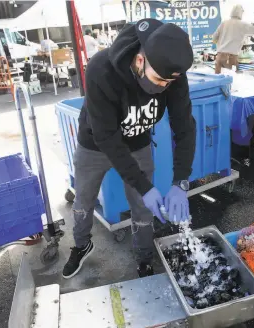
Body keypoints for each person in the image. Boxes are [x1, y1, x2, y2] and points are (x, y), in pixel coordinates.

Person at [62, 19, 196, 279]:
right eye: (158, 79)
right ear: (139, 60)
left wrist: (181, 181)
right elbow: (106, 136)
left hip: (138, 140)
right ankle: (81, 245)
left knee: (142, 208)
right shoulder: (101, 69)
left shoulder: (173, 73)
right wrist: (144, 186)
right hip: (95, 142)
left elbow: (185, 128)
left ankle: (144, 257)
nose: (162, 87)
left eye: (169, 83)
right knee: (83, 200)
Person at [212, 5, 254, 74]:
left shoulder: (224, 23)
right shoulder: (242, 24)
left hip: (219, 57)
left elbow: (214, 38)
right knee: (232, 80)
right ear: (240, 13)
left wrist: (220, 45)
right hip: (230, 58)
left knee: (218, 81)